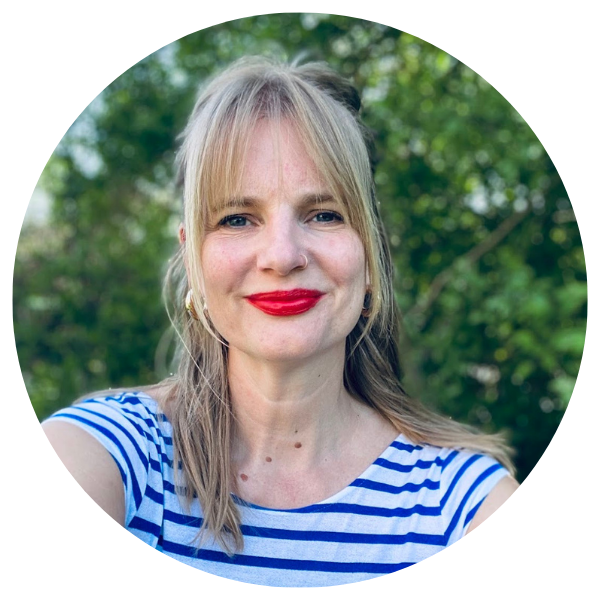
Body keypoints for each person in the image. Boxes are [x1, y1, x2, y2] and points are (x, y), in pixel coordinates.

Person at [41, 56, 519, 586]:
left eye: (324, 214)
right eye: (237, 219)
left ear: (369, 256)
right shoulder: (116, 454)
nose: (283, 255)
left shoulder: (459, 505)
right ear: (194, 260)